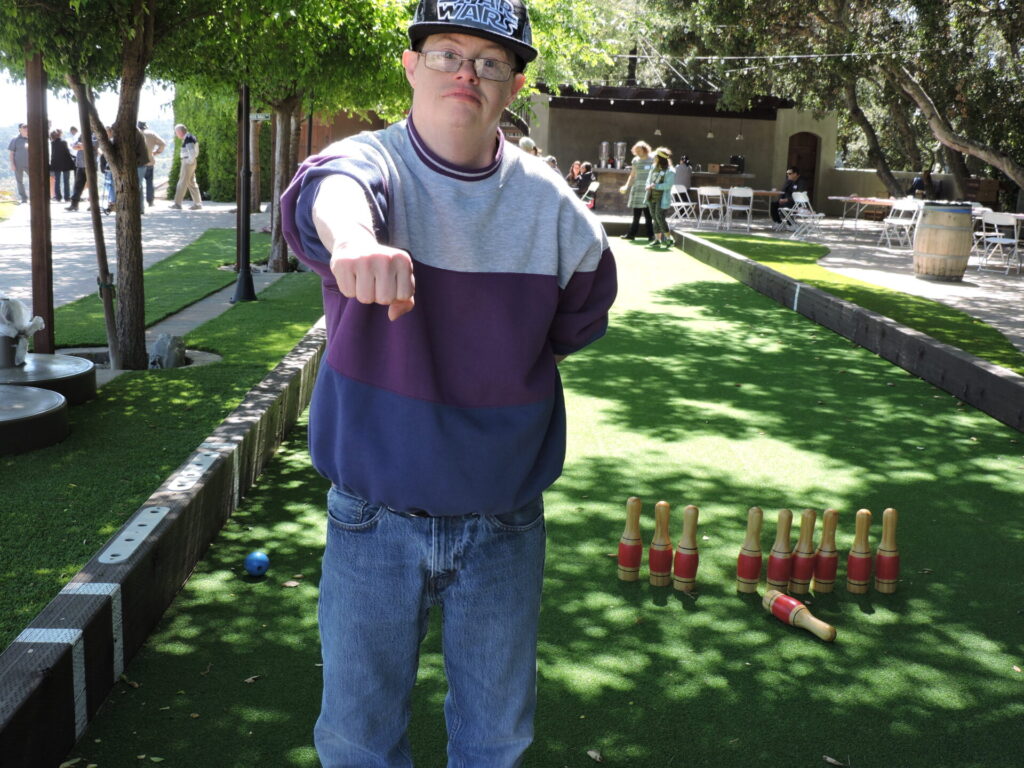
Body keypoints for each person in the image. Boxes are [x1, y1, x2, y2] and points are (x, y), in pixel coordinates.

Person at [279, 0, 617, 764]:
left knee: (496, 739)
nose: (466, 73)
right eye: (446, 53)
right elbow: (329, 194)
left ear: (513, 86)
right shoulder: (369, 166)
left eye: (490, 62)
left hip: (504, 525)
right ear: (410, 65)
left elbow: (579, 317)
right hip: (371, 519)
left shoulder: (555, 211)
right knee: (358, 739)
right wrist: (358, 243)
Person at [618, 140, 654, 240]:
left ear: (644, 149)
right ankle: (631, 235)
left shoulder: (652, 160)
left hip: (648, 190)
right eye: (635, 150)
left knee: (648, 216)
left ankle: (651, 236)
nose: (637, 152)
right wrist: (626, 186)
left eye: (639, 150)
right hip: (637, 190)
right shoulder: (635, 161)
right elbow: (632, 175)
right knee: (636, 215)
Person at [645, 146, 675, 248]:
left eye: (656, 157)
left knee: (659, 217)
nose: (654, 158)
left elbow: (668, 185)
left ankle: (669, 238)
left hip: (662, 198)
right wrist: (648, 186)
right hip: (651, 196)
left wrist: (656, 186)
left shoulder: (670, 170)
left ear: (659, 158)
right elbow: (648, 179)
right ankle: (657, 240)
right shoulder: (653, 167)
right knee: (654, 217)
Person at [171, 123, 202, 210]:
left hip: (187, 162)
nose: (176, 134)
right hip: (189, 162)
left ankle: (177, 204)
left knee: (182, 182)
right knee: (191, 183)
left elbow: (191, 152)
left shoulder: (188, 138)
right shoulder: (189, 137)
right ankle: (198, 204)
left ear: (180, 132)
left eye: (176, 132)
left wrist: (188, 161)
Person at [138, 121, 166, 207]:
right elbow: (163, 143)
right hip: (150, 161)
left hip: (139, 162)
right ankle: (150, 201)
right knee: (149, 182)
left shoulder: (136, 134)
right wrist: (157, 152)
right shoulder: (152, 134)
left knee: (139, 183)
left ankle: (139, 202)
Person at [49, 129, 75, 203]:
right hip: (65, 164)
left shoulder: (52, 143)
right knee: (66, 181)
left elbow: (53, 154)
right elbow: (67, 153)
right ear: (60, 134)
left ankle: (58, 197)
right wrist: (72, 160)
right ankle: (67, 197)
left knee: (57, 181)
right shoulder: (64, 142)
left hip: (56, 164)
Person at [7, 123, 30, 204]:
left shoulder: (32, 138)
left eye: (27, 126)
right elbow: (11, 154)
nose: (26, 128)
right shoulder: (15, 139)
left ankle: (35, 196)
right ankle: (24, 198)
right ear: (19, 129)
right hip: (18, 165)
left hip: (31, 165)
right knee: (19, 181)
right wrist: (12, 164)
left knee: (34, 181)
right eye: (24, 127)